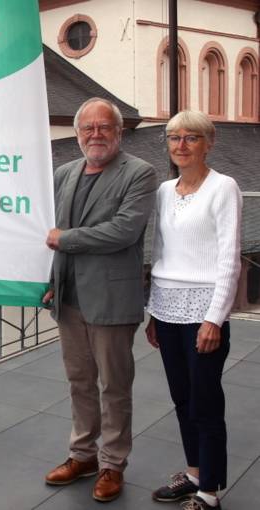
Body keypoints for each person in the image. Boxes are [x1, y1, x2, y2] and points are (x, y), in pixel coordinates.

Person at [42, 97, 158, 502]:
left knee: (114, 386)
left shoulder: (140, 173)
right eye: (87, 128)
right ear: (77, 135)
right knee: (79, 383)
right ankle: (83, 455)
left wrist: (66, 240)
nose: (95, 134)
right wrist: (51, 278)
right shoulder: (64, 173)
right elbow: (48, 229)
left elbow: (123, 231)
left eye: (103, 127)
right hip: (69, 298)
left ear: (118, 132)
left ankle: (112, 464)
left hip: (111, 298)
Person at [145, 111, 241, 510]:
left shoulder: (224, 187)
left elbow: (229, 257)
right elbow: (161, 253)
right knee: (182, 398)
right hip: (166, 310)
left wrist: (214, 317)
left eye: (191, 138)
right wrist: (154, 311)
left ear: (209, 142)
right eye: (173, 137)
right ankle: (194, 473)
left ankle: (210, 491)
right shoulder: (165, 190)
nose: (181, 145)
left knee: (205, 402)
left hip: (203, 311)